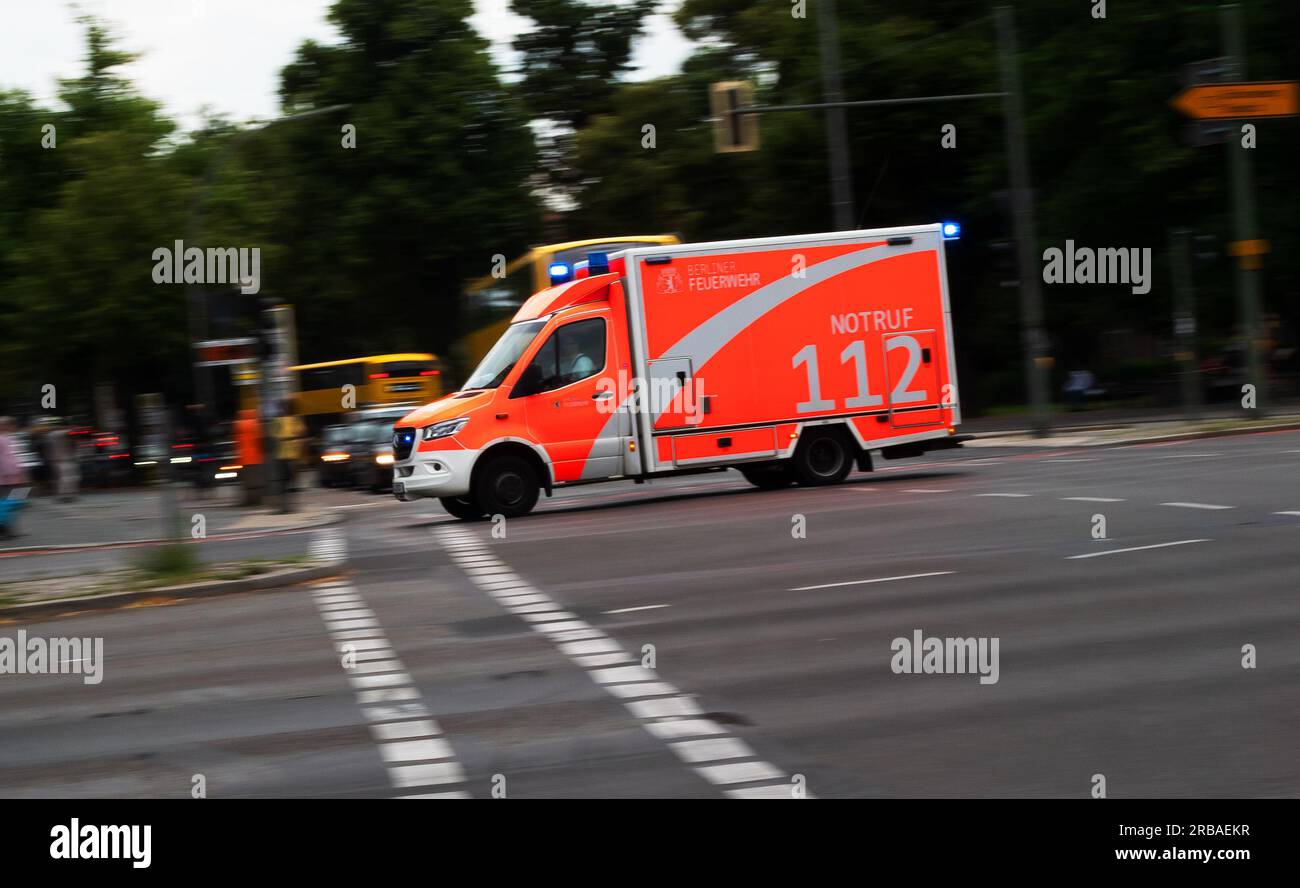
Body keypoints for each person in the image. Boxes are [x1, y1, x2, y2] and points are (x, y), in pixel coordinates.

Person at [234, 408, 264, 506]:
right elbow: (259, 442)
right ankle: (257, 500)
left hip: (244, 459)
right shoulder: (255, 425)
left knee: (247, 482)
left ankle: (249, 500)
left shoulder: (239, 425)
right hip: (256, 458)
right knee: (256, 481)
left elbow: (238, 443)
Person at [0, 417, 27, 499]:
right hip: (10, 465)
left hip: (9, 465)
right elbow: (13, 453)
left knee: (13, 484)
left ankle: (14, 501)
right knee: (16, 483)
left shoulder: (10, 437)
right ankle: (15, 502)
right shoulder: (6, 438)